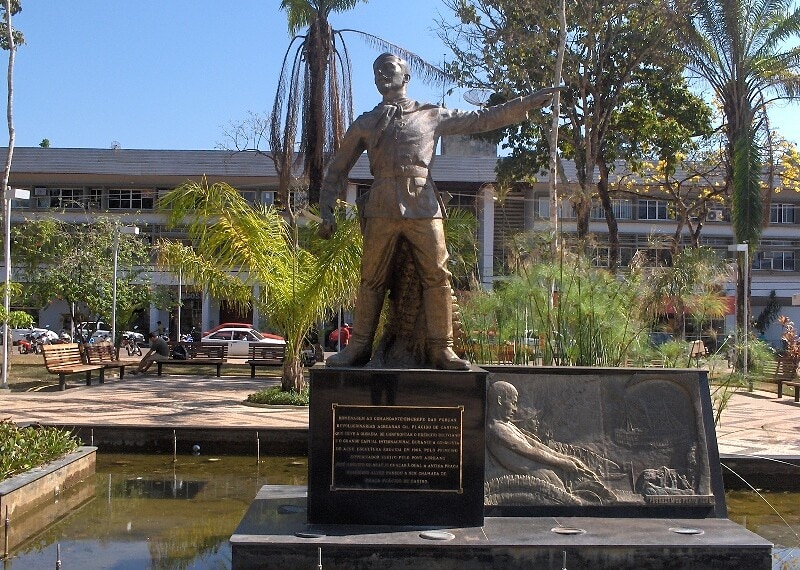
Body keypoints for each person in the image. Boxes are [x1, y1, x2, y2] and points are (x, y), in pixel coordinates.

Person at [319, 53, 558, 370]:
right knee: (371, 279)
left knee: (438, 276)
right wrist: (327, 212)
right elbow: (336, 169)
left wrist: (525, 104)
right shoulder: (365, 123)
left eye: (388, 69)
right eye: (376, 71)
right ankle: (359, 347)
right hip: (381, 206)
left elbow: (481, 119)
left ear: (406, 76)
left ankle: (442, 349)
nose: (381, 74)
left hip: (423, 204)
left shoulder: (430, 114)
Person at [487, 381, 596, 490]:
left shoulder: (507, 424)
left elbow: (534, 444)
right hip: (534, 475)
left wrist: (566, 458)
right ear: (500, 401)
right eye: (513, 403)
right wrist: (562, 462)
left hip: (542, 469)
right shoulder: (497, 429)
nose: (515, 409)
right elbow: (530, 450)